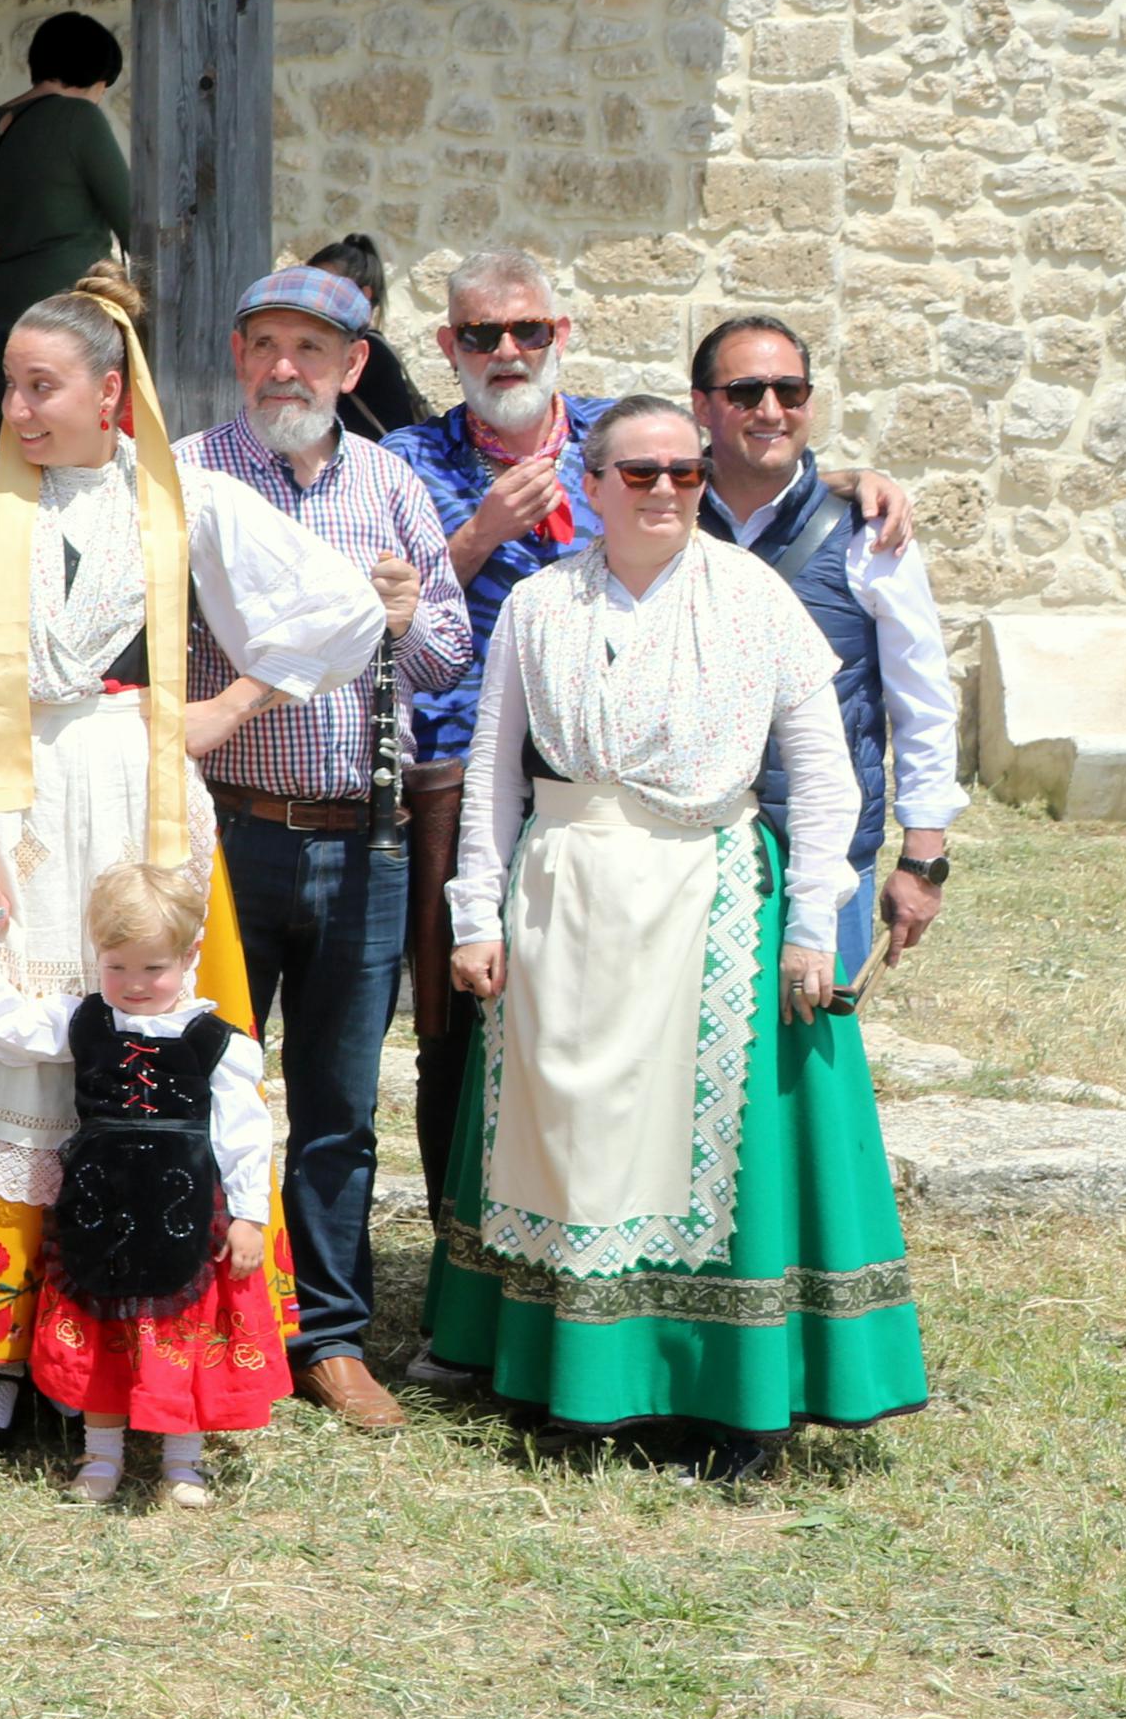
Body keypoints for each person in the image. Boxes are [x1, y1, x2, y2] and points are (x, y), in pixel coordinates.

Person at [0, 265, 378, 1453]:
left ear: (107, 394)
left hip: (135, 794)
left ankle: (127, 1328)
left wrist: (221, 709)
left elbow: (338, 608)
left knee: (136, 1038)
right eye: (9, 386)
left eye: (42, 387)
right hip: (4, 796)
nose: (19, 409)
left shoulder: (175, 500)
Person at [424, 397, 925, 1472]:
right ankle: (578, 1391)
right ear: (587, 485)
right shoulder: (536, 605)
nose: (662, 490)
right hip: (562, 890)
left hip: (708, 895)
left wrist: (809, 924)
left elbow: (825, 772)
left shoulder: (754, 598)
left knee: (696, 1160)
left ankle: (722, 1398)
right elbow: (491, 770)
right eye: (637, 472)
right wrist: (474, 911)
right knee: (572, 1140)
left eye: (684, 474)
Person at [380, 251, 908, 1242]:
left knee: (685, 1088)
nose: (506, 350)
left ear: (558, 336)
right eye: (483, 333)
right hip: (462, 784)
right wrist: (479, 536)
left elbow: (734, 442)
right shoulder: (406, 462)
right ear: (447, 345)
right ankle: (482, 1261)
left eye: (526, 330)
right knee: (467, 1051)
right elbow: (399, 618)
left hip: (684, 844)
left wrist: (844, 483)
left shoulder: (619, 432)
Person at [180, 264, 472, 1430]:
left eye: (311, 349)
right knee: (204, 1079)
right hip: (226, 830)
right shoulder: (190, 477)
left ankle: (331, 1335)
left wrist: (404, 616)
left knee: (340, 1101)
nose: (283, 369)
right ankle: (208, 1316)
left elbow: (449, 651)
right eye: (264, 345)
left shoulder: (392, 484)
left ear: (353, 368)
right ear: (239, 354)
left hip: (364, 841)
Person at [691, 317, 961, 1011]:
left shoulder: (869, 533)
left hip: (822, 859)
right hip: (681, 850)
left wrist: (921, 861)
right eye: (745, 391)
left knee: (808, 1088)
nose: (770, 411)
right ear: (701, 406)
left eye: (789, 389)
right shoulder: (657, 516)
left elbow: (922, 700)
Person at [1, 860, 286, 1508]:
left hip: (184, 1217)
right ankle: (100, 1456)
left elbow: (246, 1135)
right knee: (104, 1332)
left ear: (188, 956)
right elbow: (10, 1030)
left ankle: (181, 1463)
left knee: (178, 1334)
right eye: (116, 965)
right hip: (98, 1211)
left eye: (151, 968)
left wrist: (248, 1215)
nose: (132, 984)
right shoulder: (84, 1020)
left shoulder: (216, 1042)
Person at [0, 10, 135, 324]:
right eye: (104, 86)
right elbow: (130, 217)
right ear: (96, 74)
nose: (101, 96)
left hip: (3, 299)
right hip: (69, 304)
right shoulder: (79, 117)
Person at [306, 234, 435, 440]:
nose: (311, 298)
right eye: (310, 285)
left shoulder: (369, 352)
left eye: (326, 289)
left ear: (363, 296)